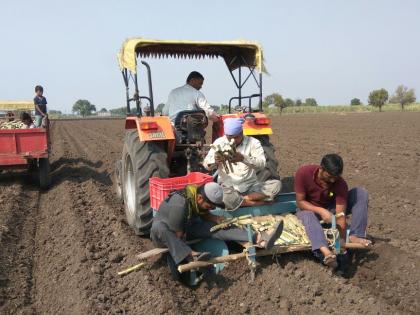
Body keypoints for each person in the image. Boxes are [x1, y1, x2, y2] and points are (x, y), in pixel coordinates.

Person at [150, 182, 283, 266]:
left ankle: (259, 238)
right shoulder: (179, 204)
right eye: (210, 206)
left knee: (218, 228)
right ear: (200, 198)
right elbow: (179, 236)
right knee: (160, 228)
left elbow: (203, 212)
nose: (211, 208)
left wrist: (216, 220)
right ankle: (190, 256)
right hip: (166, 235)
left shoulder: (197, 194)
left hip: (186, 226)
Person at [294, 154, 371, 269]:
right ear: (321, 169)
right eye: (329, 176)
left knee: (360, 193)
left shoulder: (339, 183)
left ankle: (355, 235)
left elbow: (340, 216)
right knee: (308, 215)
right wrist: (320, 211)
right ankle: (325, 253)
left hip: (331, 210)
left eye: (335, 177)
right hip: (308, 209)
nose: (332, 180)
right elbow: (300, 202)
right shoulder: (303, 173)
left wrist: (341, 243)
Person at [203, 118, 281, 209]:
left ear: (242, 132)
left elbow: (262, 164)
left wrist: (243, 158)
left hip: (251, 187)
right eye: (229, 138)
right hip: (228, 189)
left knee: (276, 185)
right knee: (221, 195)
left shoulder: (253, 142)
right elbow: (206, 165)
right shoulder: (219, 142)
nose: (233, 140)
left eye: (236, 137)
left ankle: (240, 201)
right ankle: (254, 203)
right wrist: (214, 161)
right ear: (226, 135)